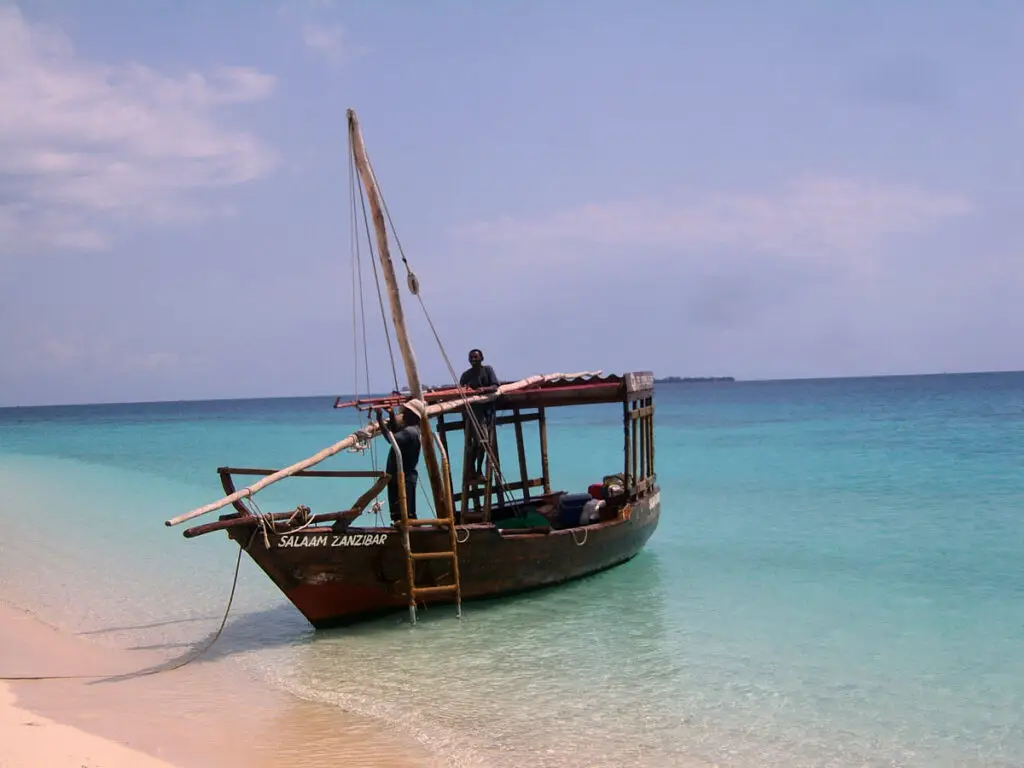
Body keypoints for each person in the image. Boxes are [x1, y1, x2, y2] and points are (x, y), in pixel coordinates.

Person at [459, 348, 499, 480]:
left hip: (485, 412)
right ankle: (472, 470)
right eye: (471, 357)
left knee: (482, 442)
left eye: (476, 357)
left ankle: (477, 470)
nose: (473, 360)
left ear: (482, 358)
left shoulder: (488, 370)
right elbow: (461, 390)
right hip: (470, 413)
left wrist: (483, 389)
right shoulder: (466, 375)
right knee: (474, 444)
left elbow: (495, 386)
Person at [385, 403, 422, 524]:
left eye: (405, 412)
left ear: (412, 416)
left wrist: (380, 420)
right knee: (403, 513)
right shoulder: (412, 430)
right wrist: (391, 414)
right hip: (403, 477)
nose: (403, 414)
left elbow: (391, 438)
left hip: (403, 478)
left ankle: (409, 538)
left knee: (404, 515)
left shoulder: (410, 432)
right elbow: (396, 431)